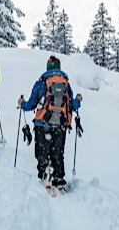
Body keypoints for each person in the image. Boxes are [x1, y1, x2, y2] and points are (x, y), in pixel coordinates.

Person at [18, 55, 82, 190]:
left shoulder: (41, 83)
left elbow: (31, 105)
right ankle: (59, 178)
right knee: (58, 152)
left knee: (42, 152)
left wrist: (21, 103)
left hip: (43, 123)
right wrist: (78, 99)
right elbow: (72, 105)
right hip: (61, 125)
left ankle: (45, 175)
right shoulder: (65, 84)